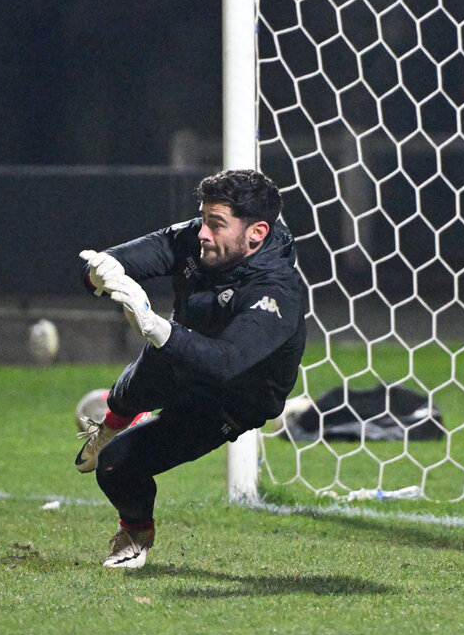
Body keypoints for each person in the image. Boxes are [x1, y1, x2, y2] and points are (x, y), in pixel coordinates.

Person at [75, 169, 306, 569]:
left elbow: (225, 364)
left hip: (232, 400)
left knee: (115, 466)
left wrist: (155, 326)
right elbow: (120, 259)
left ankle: (135, 534)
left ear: (256, 233)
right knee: (130, 391)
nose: (203, 233)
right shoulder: (197, 238)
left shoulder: (276, 290)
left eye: (216, 224)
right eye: (203, 219)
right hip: (180, 354)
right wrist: (101, 271)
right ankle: (113, 422)